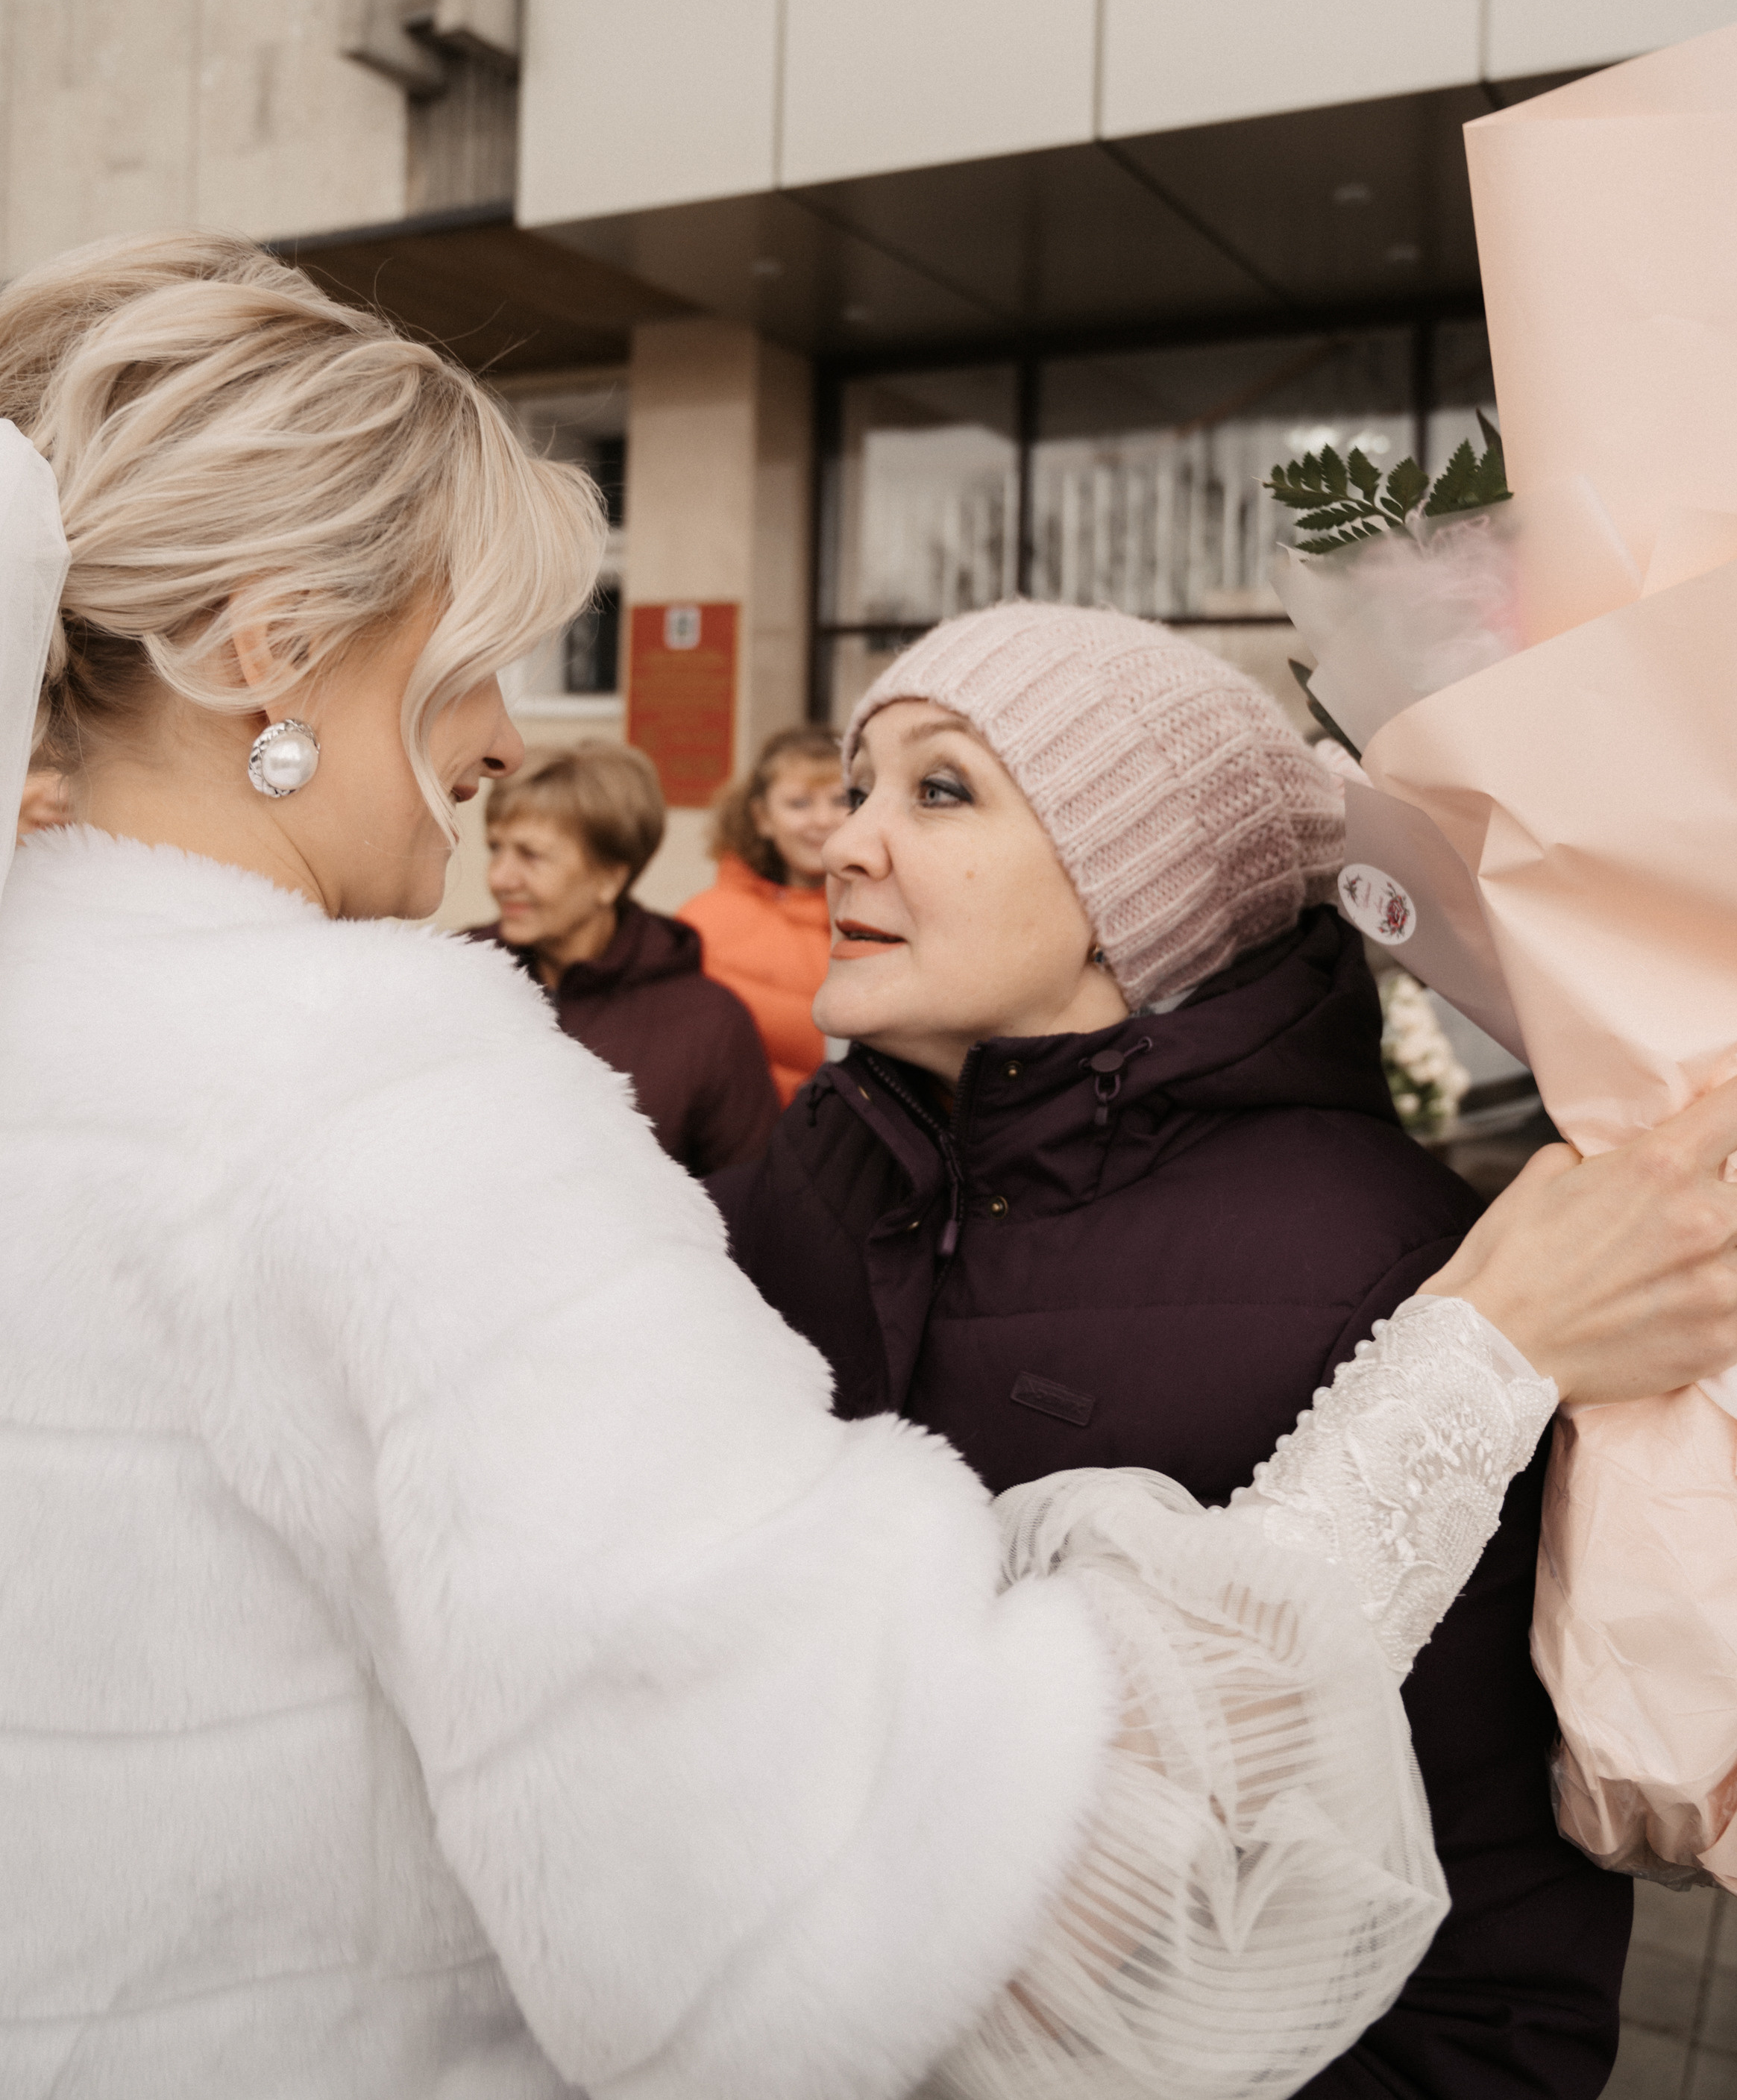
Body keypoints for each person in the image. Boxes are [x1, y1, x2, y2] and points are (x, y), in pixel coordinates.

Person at [4, 233, 1737, 2100]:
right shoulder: (390, 1094)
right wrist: (1461, 1373)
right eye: (472, 656)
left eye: (944, 789)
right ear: (270, 653)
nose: (506, 737)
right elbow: (880, 1907)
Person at [711, 601, 1632, 2100]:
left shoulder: (1383, 1265)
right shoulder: (825, 1160)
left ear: (1131, 885)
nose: (849, 841)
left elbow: (1491, 1946)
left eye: (940, 789)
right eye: (861, 782)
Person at [474, 742, 778, 1173]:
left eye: (531, 855)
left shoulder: (710, 1024)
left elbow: (749, 1203)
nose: (500, 877)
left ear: (609, 878)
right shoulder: (460, 978)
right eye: (495, 848)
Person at [678, 724, 847, 1101]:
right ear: (762, 818)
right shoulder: (705, 924)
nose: (822, 820)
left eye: (841, 800)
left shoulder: (896, 919)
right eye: (799, 804)